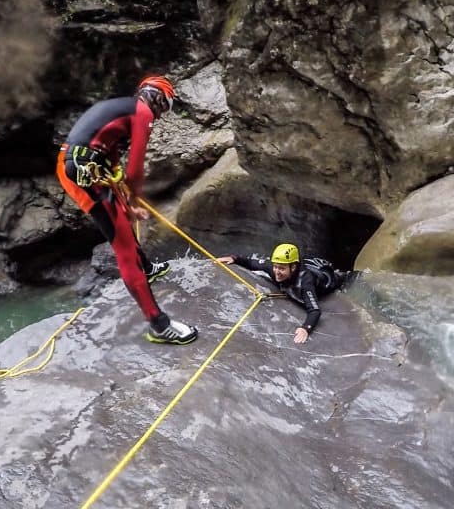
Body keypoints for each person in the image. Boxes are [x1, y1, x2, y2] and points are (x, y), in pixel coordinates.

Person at [55, 75, 197, 345]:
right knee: (124, 247)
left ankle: (147, 267)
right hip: (82, 170)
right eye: (165, 107)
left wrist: (127, 202)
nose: (162, 114)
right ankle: (159, 324)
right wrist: (133, 199)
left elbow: (113, 161)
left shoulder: (126, 109)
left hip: (81, 165)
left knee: (121, 219)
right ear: (158, 99)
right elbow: (135, 170)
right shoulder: (142, 112)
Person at [217, 244, 349, 344]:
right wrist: (234, 258)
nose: (277, 272)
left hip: (327, 278)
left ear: (293, 267)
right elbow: (253, 263)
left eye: (282, 268)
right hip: (307, 267)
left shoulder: (305, 282)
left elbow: (314, 310)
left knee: (340, 276)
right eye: (275, 266)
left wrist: (305, 328)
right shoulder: (274, 269)